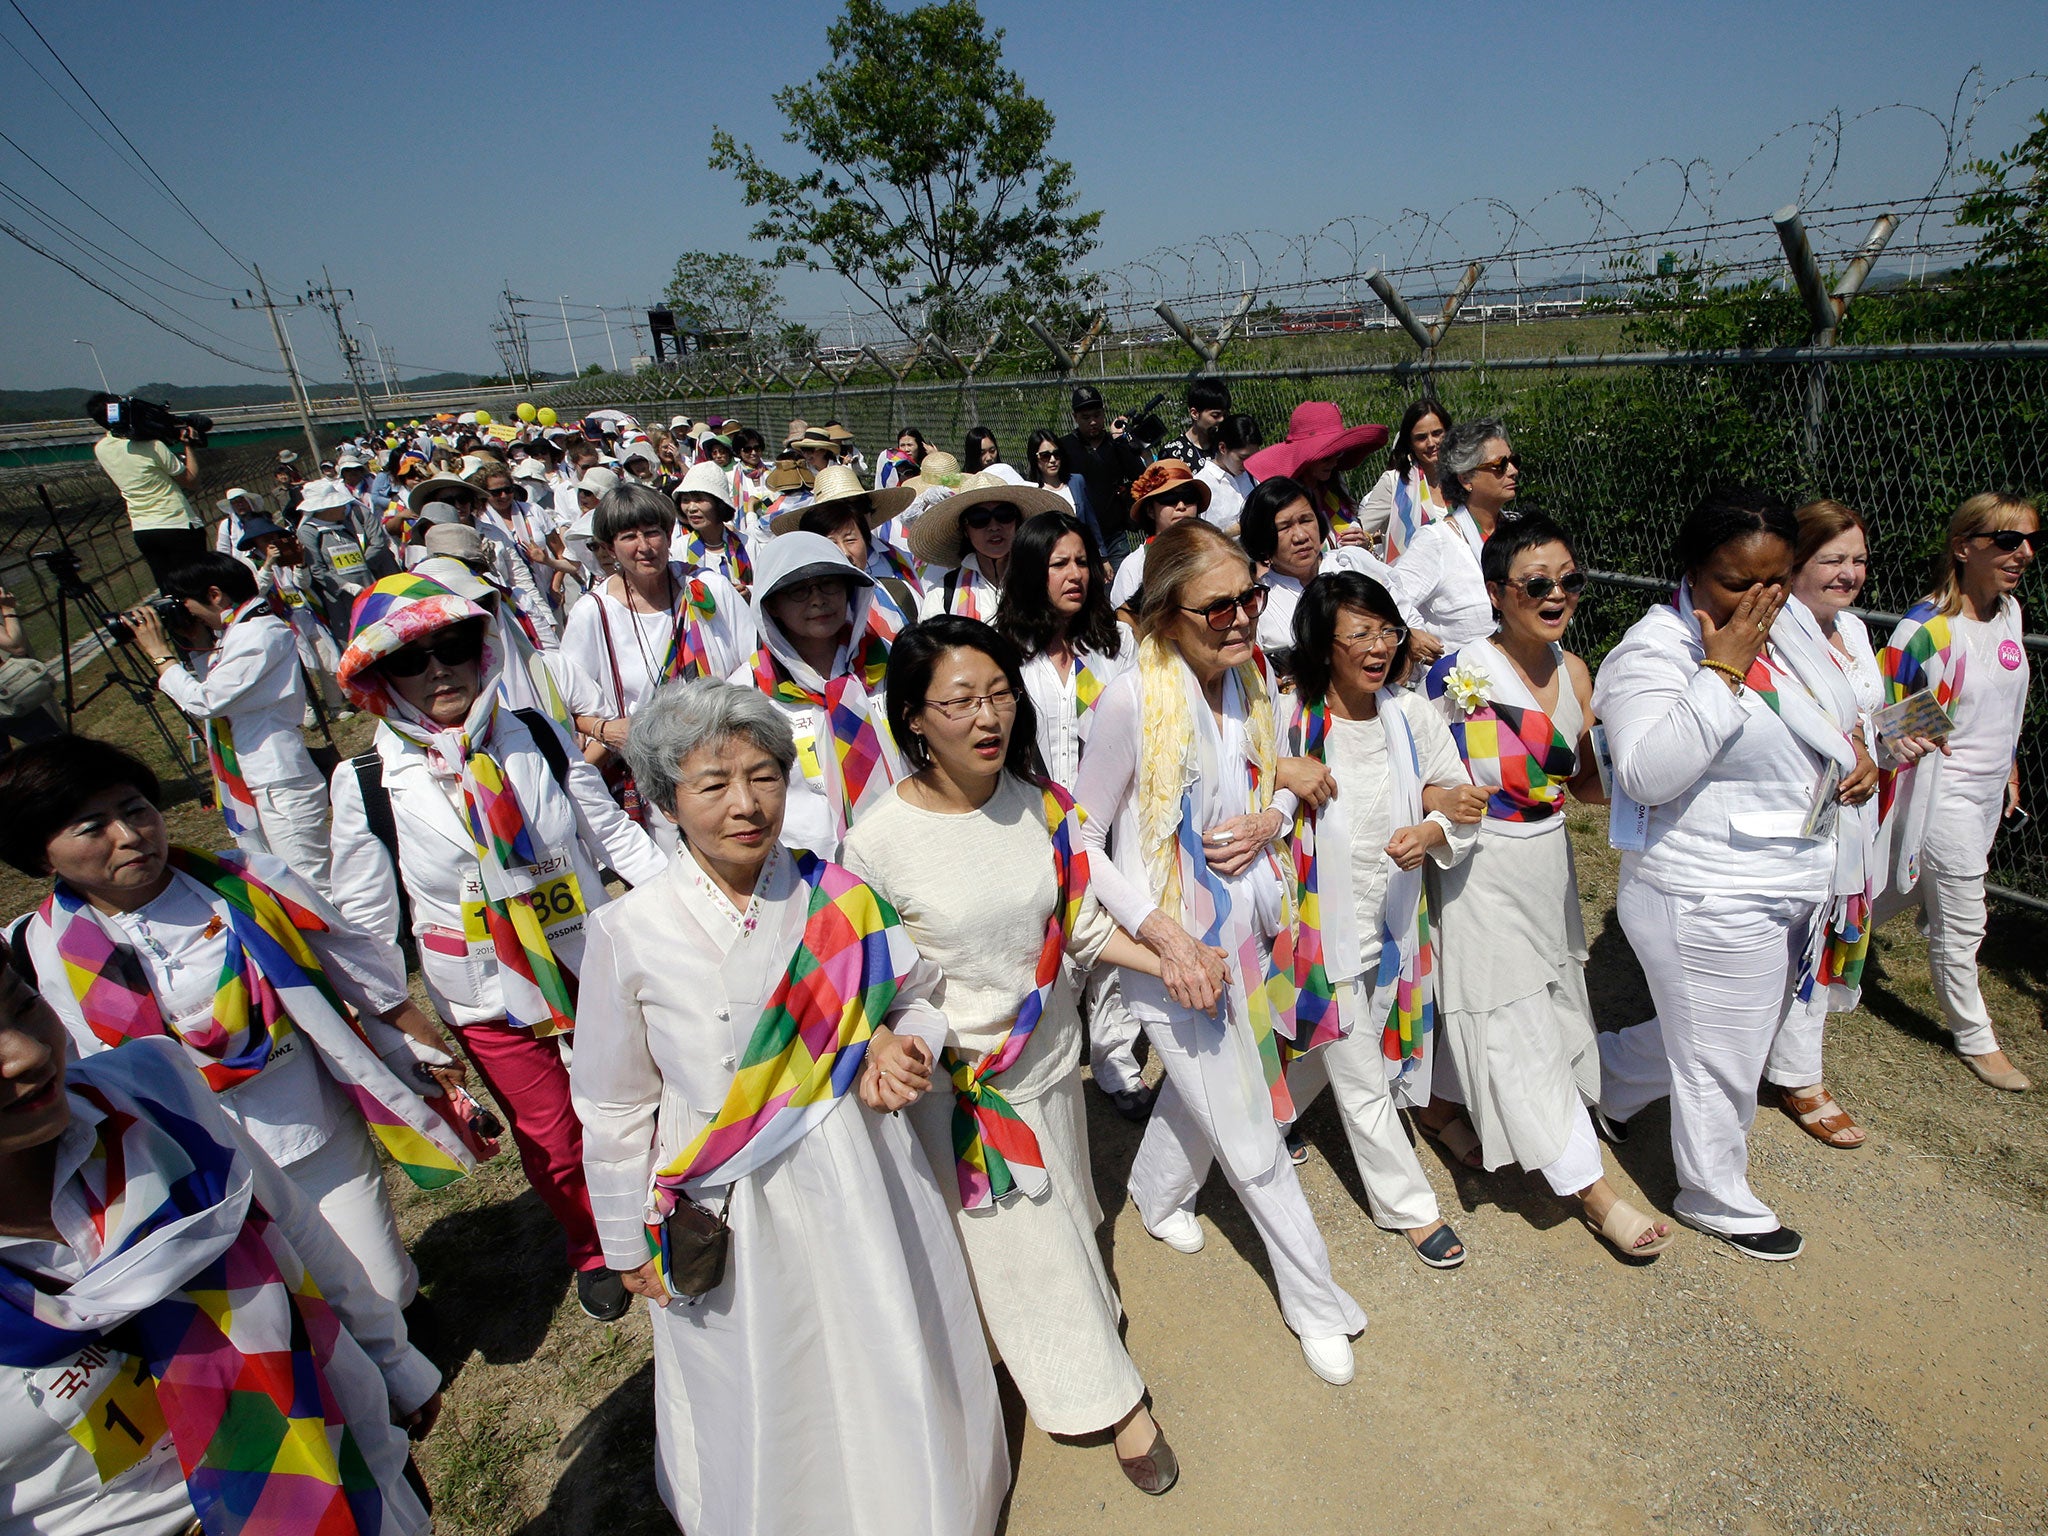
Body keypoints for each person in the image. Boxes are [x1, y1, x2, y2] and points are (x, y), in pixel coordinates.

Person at [571, 678, 1008, 1535]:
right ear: (666, 800)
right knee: (767, 1371)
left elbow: (918, 996)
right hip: (728, 1198)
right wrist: (627, 1242)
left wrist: (895, 1042)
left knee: (884, 1335)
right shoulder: (628, 930)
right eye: (714, 784)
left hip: (858, 1171)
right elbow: (614, 1106)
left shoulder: (837, 894)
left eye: (765, 775)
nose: (747, 804)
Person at [842, 618, 1179, 1493]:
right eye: (960, 702)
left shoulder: (1040, 805)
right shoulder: (875, 841)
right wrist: (883, 1042)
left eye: (999, 695)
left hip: (1049, 1061)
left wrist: (1172, 958)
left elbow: (1080, 924)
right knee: (1028, 1244)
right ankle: (1113, 1399)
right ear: (914, 718)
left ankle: (1022, 1346)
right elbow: (863, 985)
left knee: (1063, 1217)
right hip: (963, 1094)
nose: (987, 717)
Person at [0, 735, 474, 1310]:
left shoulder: (248, 882)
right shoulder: (35, 952)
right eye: (91, 827)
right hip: (188, 1161)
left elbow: (355, 966)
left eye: (134, 811)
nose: (129, 837)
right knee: (286, 1300)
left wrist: (419, 1047)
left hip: (308, 1122)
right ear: (38, 855)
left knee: (383, 1287)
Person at [1071, 518, 1368, 1384]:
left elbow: (1267, 778)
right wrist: (1158, 933)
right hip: (1176, 949)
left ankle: (1156, 1192)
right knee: (1251, 1129)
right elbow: (1081, 836)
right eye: (1217, 607)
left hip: (1255, 925)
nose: (1239, 618)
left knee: (1218, 1090)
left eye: (1250, 598)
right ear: (1166, 615)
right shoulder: (1130, 700)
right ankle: (1315, 1298)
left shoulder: (1251, 680)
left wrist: (1273, 819)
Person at [328, 574, 667, 1322]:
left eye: (452, 647)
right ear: (380, 678)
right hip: (484, 989)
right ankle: (598, 1245)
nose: (439, 670)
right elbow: (364, 921)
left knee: (637, 1092)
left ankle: (664, 1203)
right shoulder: (365, 782)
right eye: (413, 659)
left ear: (481, 653)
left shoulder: (535, 731)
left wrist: (683, 905)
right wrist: (399, 1025)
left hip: (587, 955)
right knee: (551, 1128)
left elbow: (607, 832)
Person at [0, 1011, 441, 1536]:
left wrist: (392, 1358)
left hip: (339, 1450)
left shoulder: (147, 1094)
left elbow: (292, 1225)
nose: (29, 1053)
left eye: (18, 999)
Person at [1594, 491, 1872, 1261]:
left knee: (1735, 1033)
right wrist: (1721, 671)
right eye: (1735, 582)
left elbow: (1831, 712)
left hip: (1787, 875)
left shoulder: (1791, 629)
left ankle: (1604, 1079)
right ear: (1691, 571)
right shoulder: (1656, 650)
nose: (1759, 600)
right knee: (1725, 1058)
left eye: (1776, 580)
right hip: (1704, 887)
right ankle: (1714, 1194)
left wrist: (1857, 755)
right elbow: (1647, 774)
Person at [1419, 518, 1675, 1257]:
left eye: (1569, 580)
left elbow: (1587, 786)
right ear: (1498, 593)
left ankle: (1439, 1105)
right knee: (1516, 1022)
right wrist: (1439, 802)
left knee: (1532, 999)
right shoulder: (1458, 673)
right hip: (1478, 866)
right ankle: (1594, 1193)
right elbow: (1416, 770)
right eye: (1537, 584)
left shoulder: (1578, 672)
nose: (1556, 594)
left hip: (1547, 862)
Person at [1278, 570, 1477, 1268]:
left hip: (1394, 919)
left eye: (1387, 630)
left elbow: (1451, 792)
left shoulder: (1411, 715)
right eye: (1359, 632)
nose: (1379, 646)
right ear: (1322, 643)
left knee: (1331, 1038)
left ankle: (1267, 1117)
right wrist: (1279, 767)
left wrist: (1432, 829)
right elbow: (1241, 782)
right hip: (1315, 924)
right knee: (1359, 1065)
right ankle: (1412, 1208)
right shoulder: (1292, 717)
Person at [1874, 492, 2037, 1092]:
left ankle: (1813, 954)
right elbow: (1894, 729)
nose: (2021, 553)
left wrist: (2010, 765)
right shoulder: (1925, 632)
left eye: (2028, 541)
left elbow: (2002, 703)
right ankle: (1977, 1038)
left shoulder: (2010, 614)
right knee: (1964, 919)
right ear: (1963, 546)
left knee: (1895, 889)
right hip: (1942, 800)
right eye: (2005, 540)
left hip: (1989, 794)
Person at [993, 511, 1150, 1119]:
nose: (1075, 574)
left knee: (1108, 941)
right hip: (1028, 824)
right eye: (1059, 563)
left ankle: (1115, 1061)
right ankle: (1047, 1061)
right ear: (1033, 570)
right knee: (1044, 946)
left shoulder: (1116, 645)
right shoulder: (1004, 648)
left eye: (1083, 561)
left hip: (1104, 825)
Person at [559, 483, 756, 841]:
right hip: (654, 776)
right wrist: (607, 730)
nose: (645, 547)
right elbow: (566, 705)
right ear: (609, 548)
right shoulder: (595, 612)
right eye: (629, 536)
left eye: (653, 532)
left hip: (725, 754)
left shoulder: (710, 588)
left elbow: (754, 664)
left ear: (669, 535)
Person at [127, 553, 333, 889]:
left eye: (184, 602)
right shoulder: (239, 632)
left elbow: (207, 700)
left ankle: (347, 940)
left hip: (277, 777)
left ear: (214, 595)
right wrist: (196, 646)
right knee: (272, 877)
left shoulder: (260, 633)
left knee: (308, 881)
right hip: (255, 774)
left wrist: (160, 655)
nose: (182, 611)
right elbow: (221, 690)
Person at [738, 533, 904, 858]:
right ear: (771, 604)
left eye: (829, 584)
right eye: (799, 590)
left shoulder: (893, 663)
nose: (817, 600)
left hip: (906, 850)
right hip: (812, 874)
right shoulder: (749, 693)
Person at [1381, 418, 1522, 667]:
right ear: (1466, 478)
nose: (1513, 471)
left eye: (1514, 461)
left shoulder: (1519, 533)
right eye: (1500, 465)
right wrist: (1411, 633)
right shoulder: (1437, 541)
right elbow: (1389, 598)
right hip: (1466, 689)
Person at [87, 395, 206, 588]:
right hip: (178, 524)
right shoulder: (153, 446)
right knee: (198, 585)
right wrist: (189, 445)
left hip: (143, 529)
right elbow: (191, 481)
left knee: (169, 590)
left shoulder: (101, 449)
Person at [910, 475, 1066, 621]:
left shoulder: (1044, 582)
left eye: (1004, 515)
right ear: (965, 529)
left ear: (1017, 523)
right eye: (979, 518)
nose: (994, 527)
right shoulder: (943, 593)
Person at [783, 467, 922, 626]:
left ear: (869, 510)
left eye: (857, 506)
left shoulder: (895, 557)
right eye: (836, 510)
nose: (849, 515)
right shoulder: (807, 583)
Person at [1237, 475, 1345, 670]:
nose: (1301, 536)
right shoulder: (1257, 603)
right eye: (1285, 527)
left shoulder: (1350, 564)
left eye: (1306, 520)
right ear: (1263, 536)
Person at [1243, 401, 1387, 545]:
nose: (1334, 462)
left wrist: (1364, 541)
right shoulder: (1280, 500)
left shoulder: (1334, 489)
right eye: (1326, 457)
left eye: (1339, 453)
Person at [297, 475, 400, 640]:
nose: (343, 508)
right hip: (343, 600)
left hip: (368, 588)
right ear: (326, 509)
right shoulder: (309, 533)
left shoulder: (343, 527)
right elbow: (317, 569)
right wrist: (346, 586)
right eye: (338, 505)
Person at [1108, 460, 1211, 616]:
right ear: (1150, 510)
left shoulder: (1214, 553)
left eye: (1189, 497)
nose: (1181, 506)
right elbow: (1125, 625)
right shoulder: (1135, 565)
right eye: (1169, 499)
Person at [1059, 385, 1149, 559]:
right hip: (1079, 533)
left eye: (1097, 415)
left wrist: (1120, 441)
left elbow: (1140, 476)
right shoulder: (1065, 447)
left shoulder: (1114, 444)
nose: (1093, 422)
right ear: (1075, 417)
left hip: (1114, 533)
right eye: (1086, 417)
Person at [1359, 398, 1452, 562]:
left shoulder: (1463, 478)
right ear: (1410, 442)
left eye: (1437, 433)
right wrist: (1367, 541)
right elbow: (1361, 531)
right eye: (1421, 438)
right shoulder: (1393, 482)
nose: (1431, 443)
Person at [674, 460, 754, 595]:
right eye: (686, 500)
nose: (691, 508)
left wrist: (748, 592)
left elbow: (763, 587)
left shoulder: (748, 545)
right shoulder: (679, 549)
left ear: (718, 504)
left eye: (699, 500)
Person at [1024, 427, 1105, 551]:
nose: (1052, 460)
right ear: (1035, 459)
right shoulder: (1032, 491)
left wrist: (1103, 556)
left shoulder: (1076, 481)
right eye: (1045, 455)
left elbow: (1091, 522)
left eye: (1056, 454)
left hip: (1082, 553)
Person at [1196, 412, 1263, 536]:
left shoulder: (1254, 477)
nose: (1248, 464)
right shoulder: (1201, 485)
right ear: (1222, 448)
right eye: (1242, 457)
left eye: (1254, 458)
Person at [1155, 376, 1232, 474]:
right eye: (1215, 415)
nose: (1221, 420)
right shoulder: (1174, 452)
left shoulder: (1227, 446)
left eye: (1225, 415)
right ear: (1195, 414)